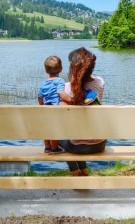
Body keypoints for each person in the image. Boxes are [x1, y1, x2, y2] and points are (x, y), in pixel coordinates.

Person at [59, 47, 106, 176]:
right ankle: (84, 170)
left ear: (73, 67)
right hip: (100, 143)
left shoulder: (67, 87)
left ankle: (75, 171)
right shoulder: (100, 82)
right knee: (82, 129)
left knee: (61, 134)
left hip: (76, 146)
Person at [37, 55, 71, 154]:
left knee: (46, 128)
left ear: (45, 70)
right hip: (55, 109)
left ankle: (47, 147)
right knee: (56, 128)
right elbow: (60, 92)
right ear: (61, 69)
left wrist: (42, 106)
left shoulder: (43, 83)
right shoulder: (59, 81)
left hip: (46, 108)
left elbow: (39, 96)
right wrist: (70, 100)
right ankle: (55, 148)